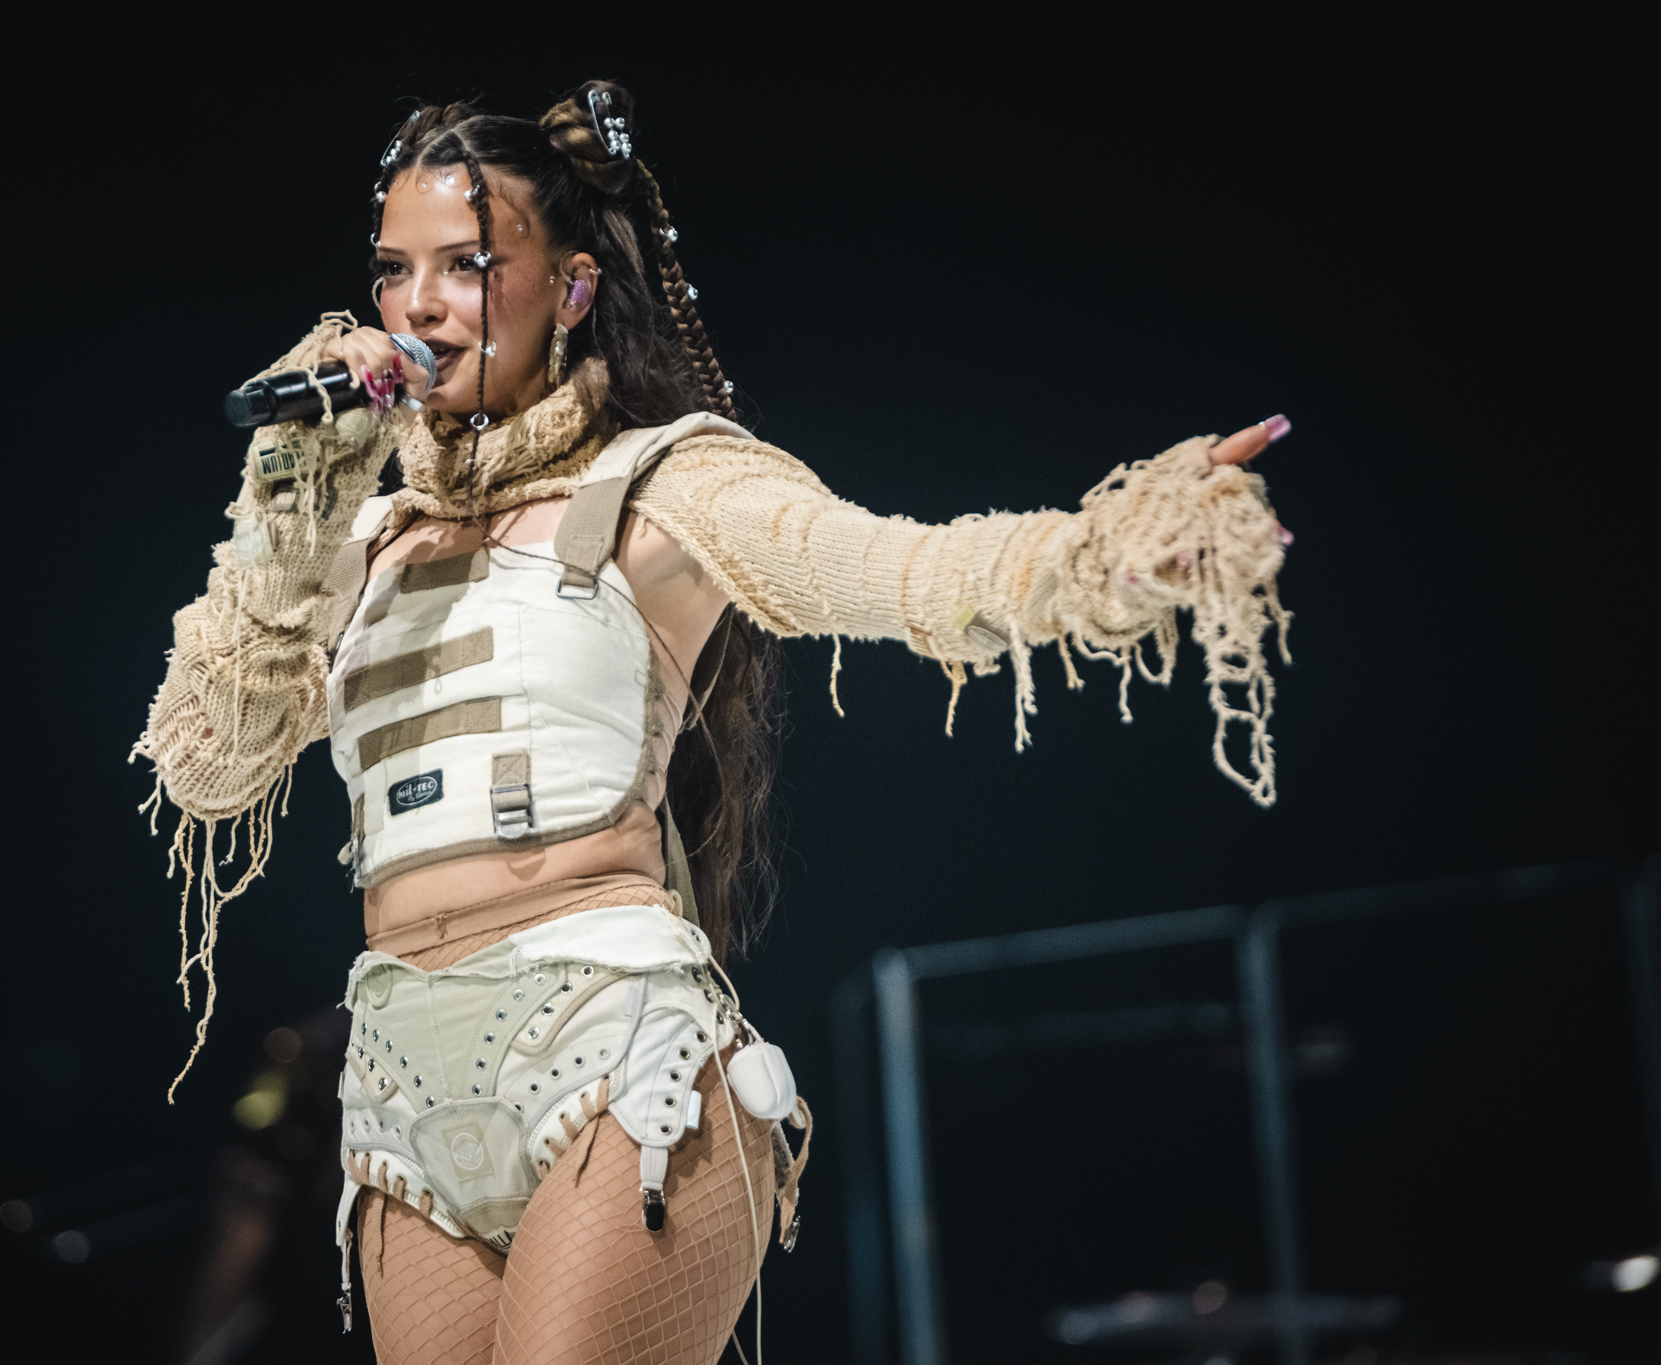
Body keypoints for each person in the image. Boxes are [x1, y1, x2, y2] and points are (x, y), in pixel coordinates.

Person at [133, 80, 1293, 1365]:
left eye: (467, 264)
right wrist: (292, 506)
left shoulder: (667, 482)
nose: (415, 304)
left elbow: (906, 575)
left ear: (571, 290)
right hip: (402, 1079)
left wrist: (1106, 550)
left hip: (610, 1043)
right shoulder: (360, 533)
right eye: (393, 269)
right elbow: (206, 764)